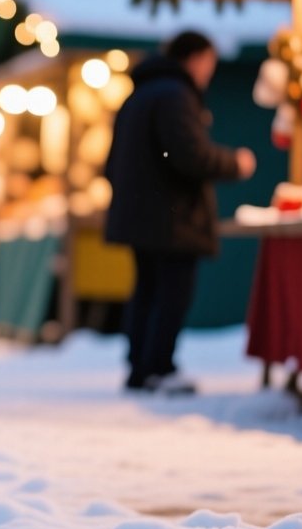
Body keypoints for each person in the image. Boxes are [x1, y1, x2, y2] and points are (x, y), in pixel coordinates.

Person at [105, 31, 256, 394]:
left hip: (142, 216)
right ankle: (159, 367)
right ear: (196, 57)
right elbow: (189, 155)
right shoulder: (175, 95)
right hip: (172, 219)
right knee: (170, 294)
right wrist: (235, 164)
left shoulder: (138, 95)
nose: (210, 72)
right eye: (210, 63)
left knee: (146, 291)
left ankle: (140, 367)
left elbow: (111, 164)